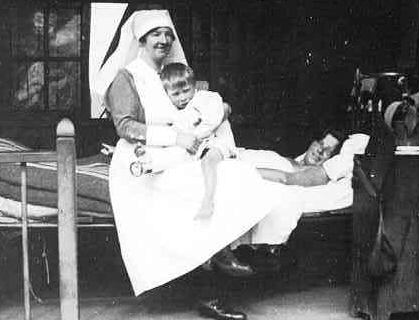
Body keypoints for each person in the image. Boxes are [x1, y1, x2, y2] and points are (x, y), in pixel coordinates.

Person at [97, 9, 358, 320]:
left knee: (234, 175)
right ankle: (214, 276)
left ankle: (227, 257)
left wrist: (215, 118)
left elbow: (196, 115)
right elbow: (125, 126)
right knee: (204, 191)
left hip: (176, 155)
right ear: (141, 38)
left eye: (168, 34)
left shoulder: (172, 74)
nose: (164, 40)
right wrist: (176, 137)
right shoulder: (128, 77)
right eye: (156, 34)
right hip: (141, 163)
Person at [160, 62, 236, 219]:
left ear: (194, 86)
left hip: (218, 141)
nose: (182, 98)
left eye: (186, 91)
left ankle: (208, 202)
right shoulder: (175, 112)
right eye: (176, 94)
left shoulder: (208, 98)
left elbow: (213, 120)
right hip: (199, 146)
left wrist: (192, 135)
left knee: (208, 162)